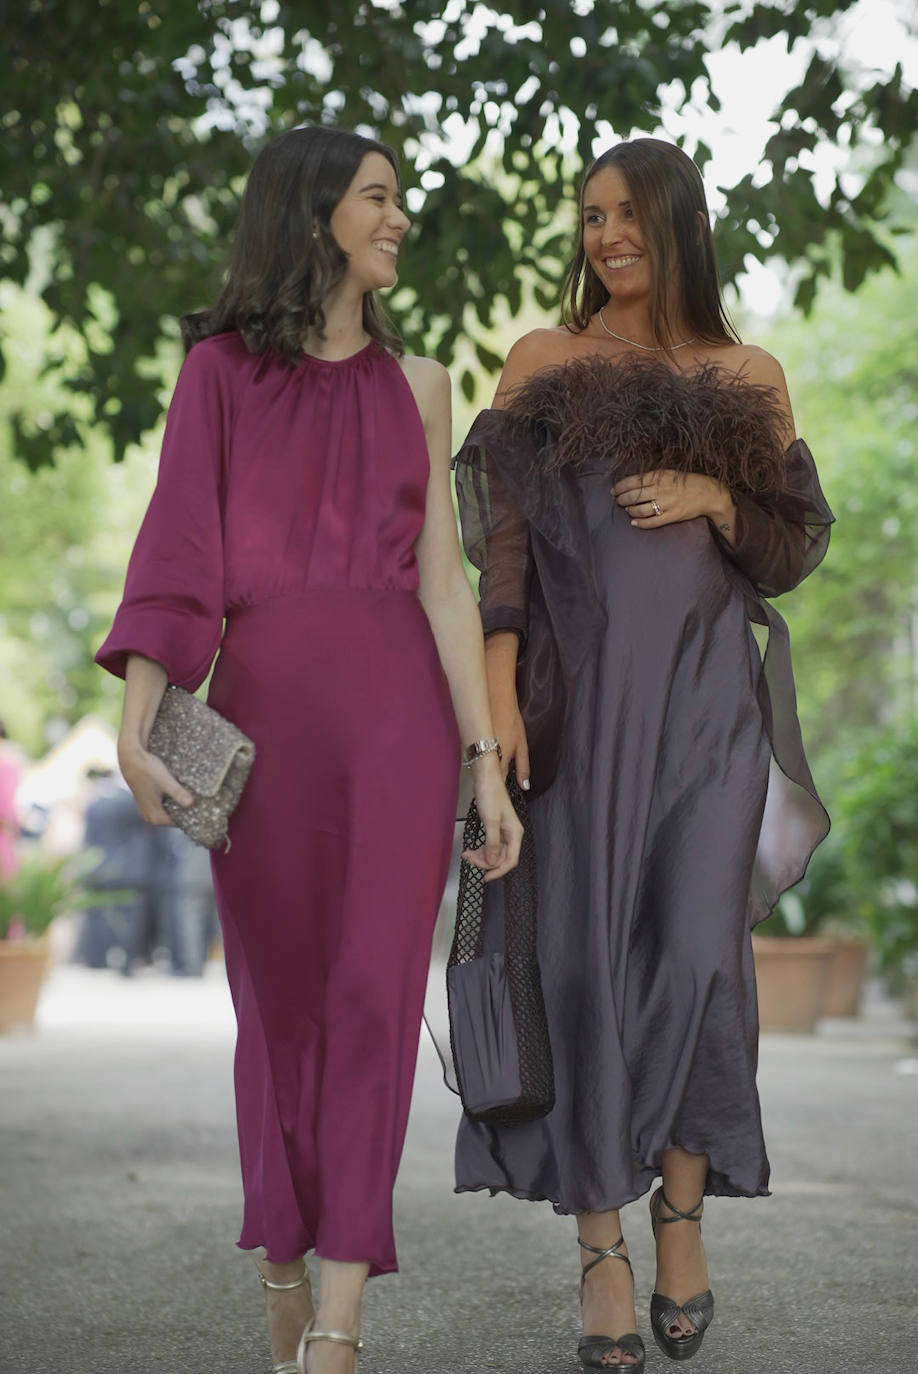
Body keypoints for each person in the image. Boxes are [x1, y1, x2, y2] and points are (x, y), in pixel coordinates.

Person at [96, 125, 522, 1374]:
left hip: (396, 727)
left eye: (398, 199)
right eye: (378, 198)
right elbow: (179, 558)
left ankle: (338, 1322)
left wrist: (482, 763)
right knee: (276, 1011)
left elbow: (447, 590)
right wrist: (135, 728)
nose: (399, 219)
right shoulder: (218, 373)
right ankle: (284, 1268)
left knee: (374, 1005)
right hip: (266, 727)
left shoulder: (424, 381)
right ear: (316, 214)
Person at [452, 137, 833, 1370]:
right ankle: (602, 1253)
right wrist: (497, 695)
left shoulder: (747, 372)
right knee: (583, 970)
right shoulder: (544, 363)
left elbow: (790, 547)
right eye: (589, 217)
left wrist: (720, 501)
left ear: (678, 223)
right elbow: (498, 544)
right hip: (578, 711)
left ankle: (682, 1219)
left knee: (695, 957)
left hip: (709, 715)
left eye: (626, 214)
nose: (604, 235)